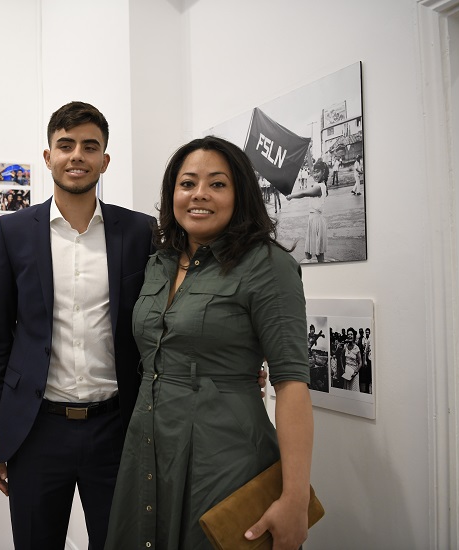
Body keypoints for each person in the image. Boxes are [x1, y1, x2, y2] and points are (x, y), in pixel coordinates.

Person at [105, 136, 313, 550]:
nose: (199, 194)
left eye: (217, 184)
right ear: (173, 194)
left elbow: (292, 383)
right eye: (188, 183)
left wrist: (295, 499)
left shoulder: (268, 265)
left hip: (224, 456)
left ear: (240, 194)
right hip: (148, 447)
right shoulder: (158, 263)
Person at [0, 101, 156, 549]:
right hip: (36, 429)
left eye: (89, 146)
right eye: (66, 145)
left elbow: (157, 327)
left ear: (104, 160)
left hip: (117, 428)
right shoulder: (14, 231)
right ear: (48, 156)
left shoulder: (140, 232)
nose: (77, 155)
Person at [286, 158, 329, 263]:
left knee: (318, 253)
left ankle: (321, 268)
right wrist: (308, 151)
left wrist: (291, 196)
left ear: (323, 172)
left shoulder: (319, 187)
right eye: (314, 172)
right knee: (311, 253)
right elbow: (311, 166)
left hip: (316, 221)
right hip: (314, 219)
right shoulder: (320, 184)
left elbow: (304, 193)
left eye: (318, 172)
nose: (315, 174)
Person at [341, 327, 362, 391]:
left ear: (354, 336)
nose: (349, 336)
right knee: (347, 390)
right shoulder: (345, 347)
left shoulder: (356, 348)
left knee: (354, 391)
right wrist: (343, 368)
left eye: (351, 334)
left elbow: (360, 362)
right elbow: (341, 357)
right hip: (347, 372)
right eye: (348, 334)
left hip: (354, 373)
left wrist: (356, 372)